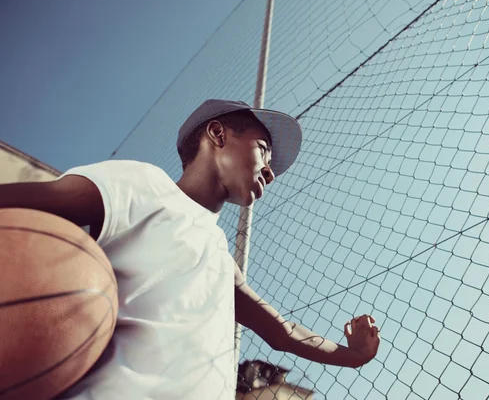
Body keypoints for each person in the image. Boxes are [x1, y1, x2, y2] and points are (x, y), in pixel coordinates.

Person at [0, 99, 380, 399]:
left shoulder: (219, 255)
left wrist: (354, 356)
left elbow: (281, 332)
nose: (270, 170)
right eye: (263, 150)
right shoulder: (145, 185)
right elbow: (39, 199)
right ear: (217, 133)